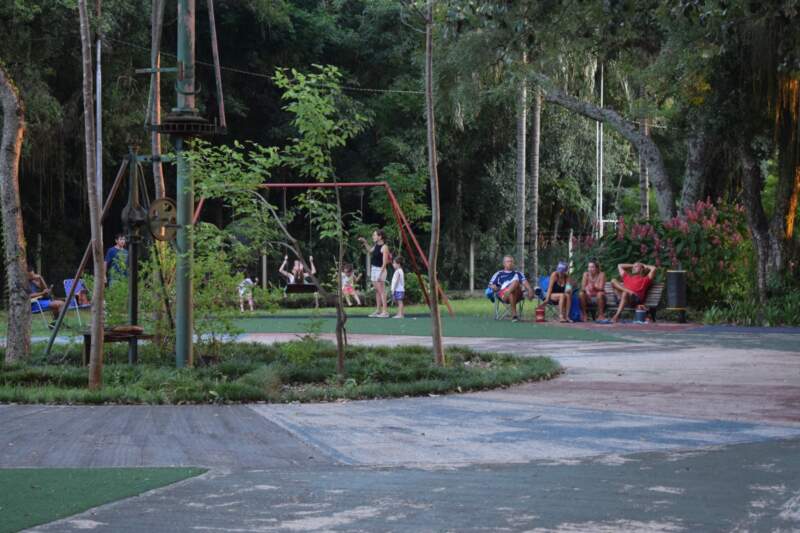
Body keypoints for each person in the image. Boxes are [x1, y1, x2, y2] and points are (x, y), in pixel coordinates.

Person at [488, 255, 535, 322]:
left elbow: (525, 283)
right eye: (508, 261)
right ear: (504, 263)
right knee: (512, 291)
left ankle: (508, 292)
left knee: (516, 282)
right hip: (504, 293)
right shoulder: (499, 274)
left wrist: (530, 290)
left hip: (514, 295)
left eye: (511, 261)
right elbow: (490, 285)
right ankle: (514, 315)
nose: (510, 263)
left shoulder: (518, 273)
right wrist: (493, 287)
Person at [359, 229, 390, 318]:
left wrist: (380, 274)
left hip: (380, 270)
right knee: (377, 291)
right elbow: (370, 250)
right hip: (374, 269)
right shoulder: (376, 245)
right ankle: (378, 310)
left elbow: (384, 263)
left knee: (381, 291)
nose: (373, 236)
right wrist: (365, 242)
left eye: (374, 235)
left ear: (380, 237)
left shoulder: (384, 247)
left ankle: (385, 312)